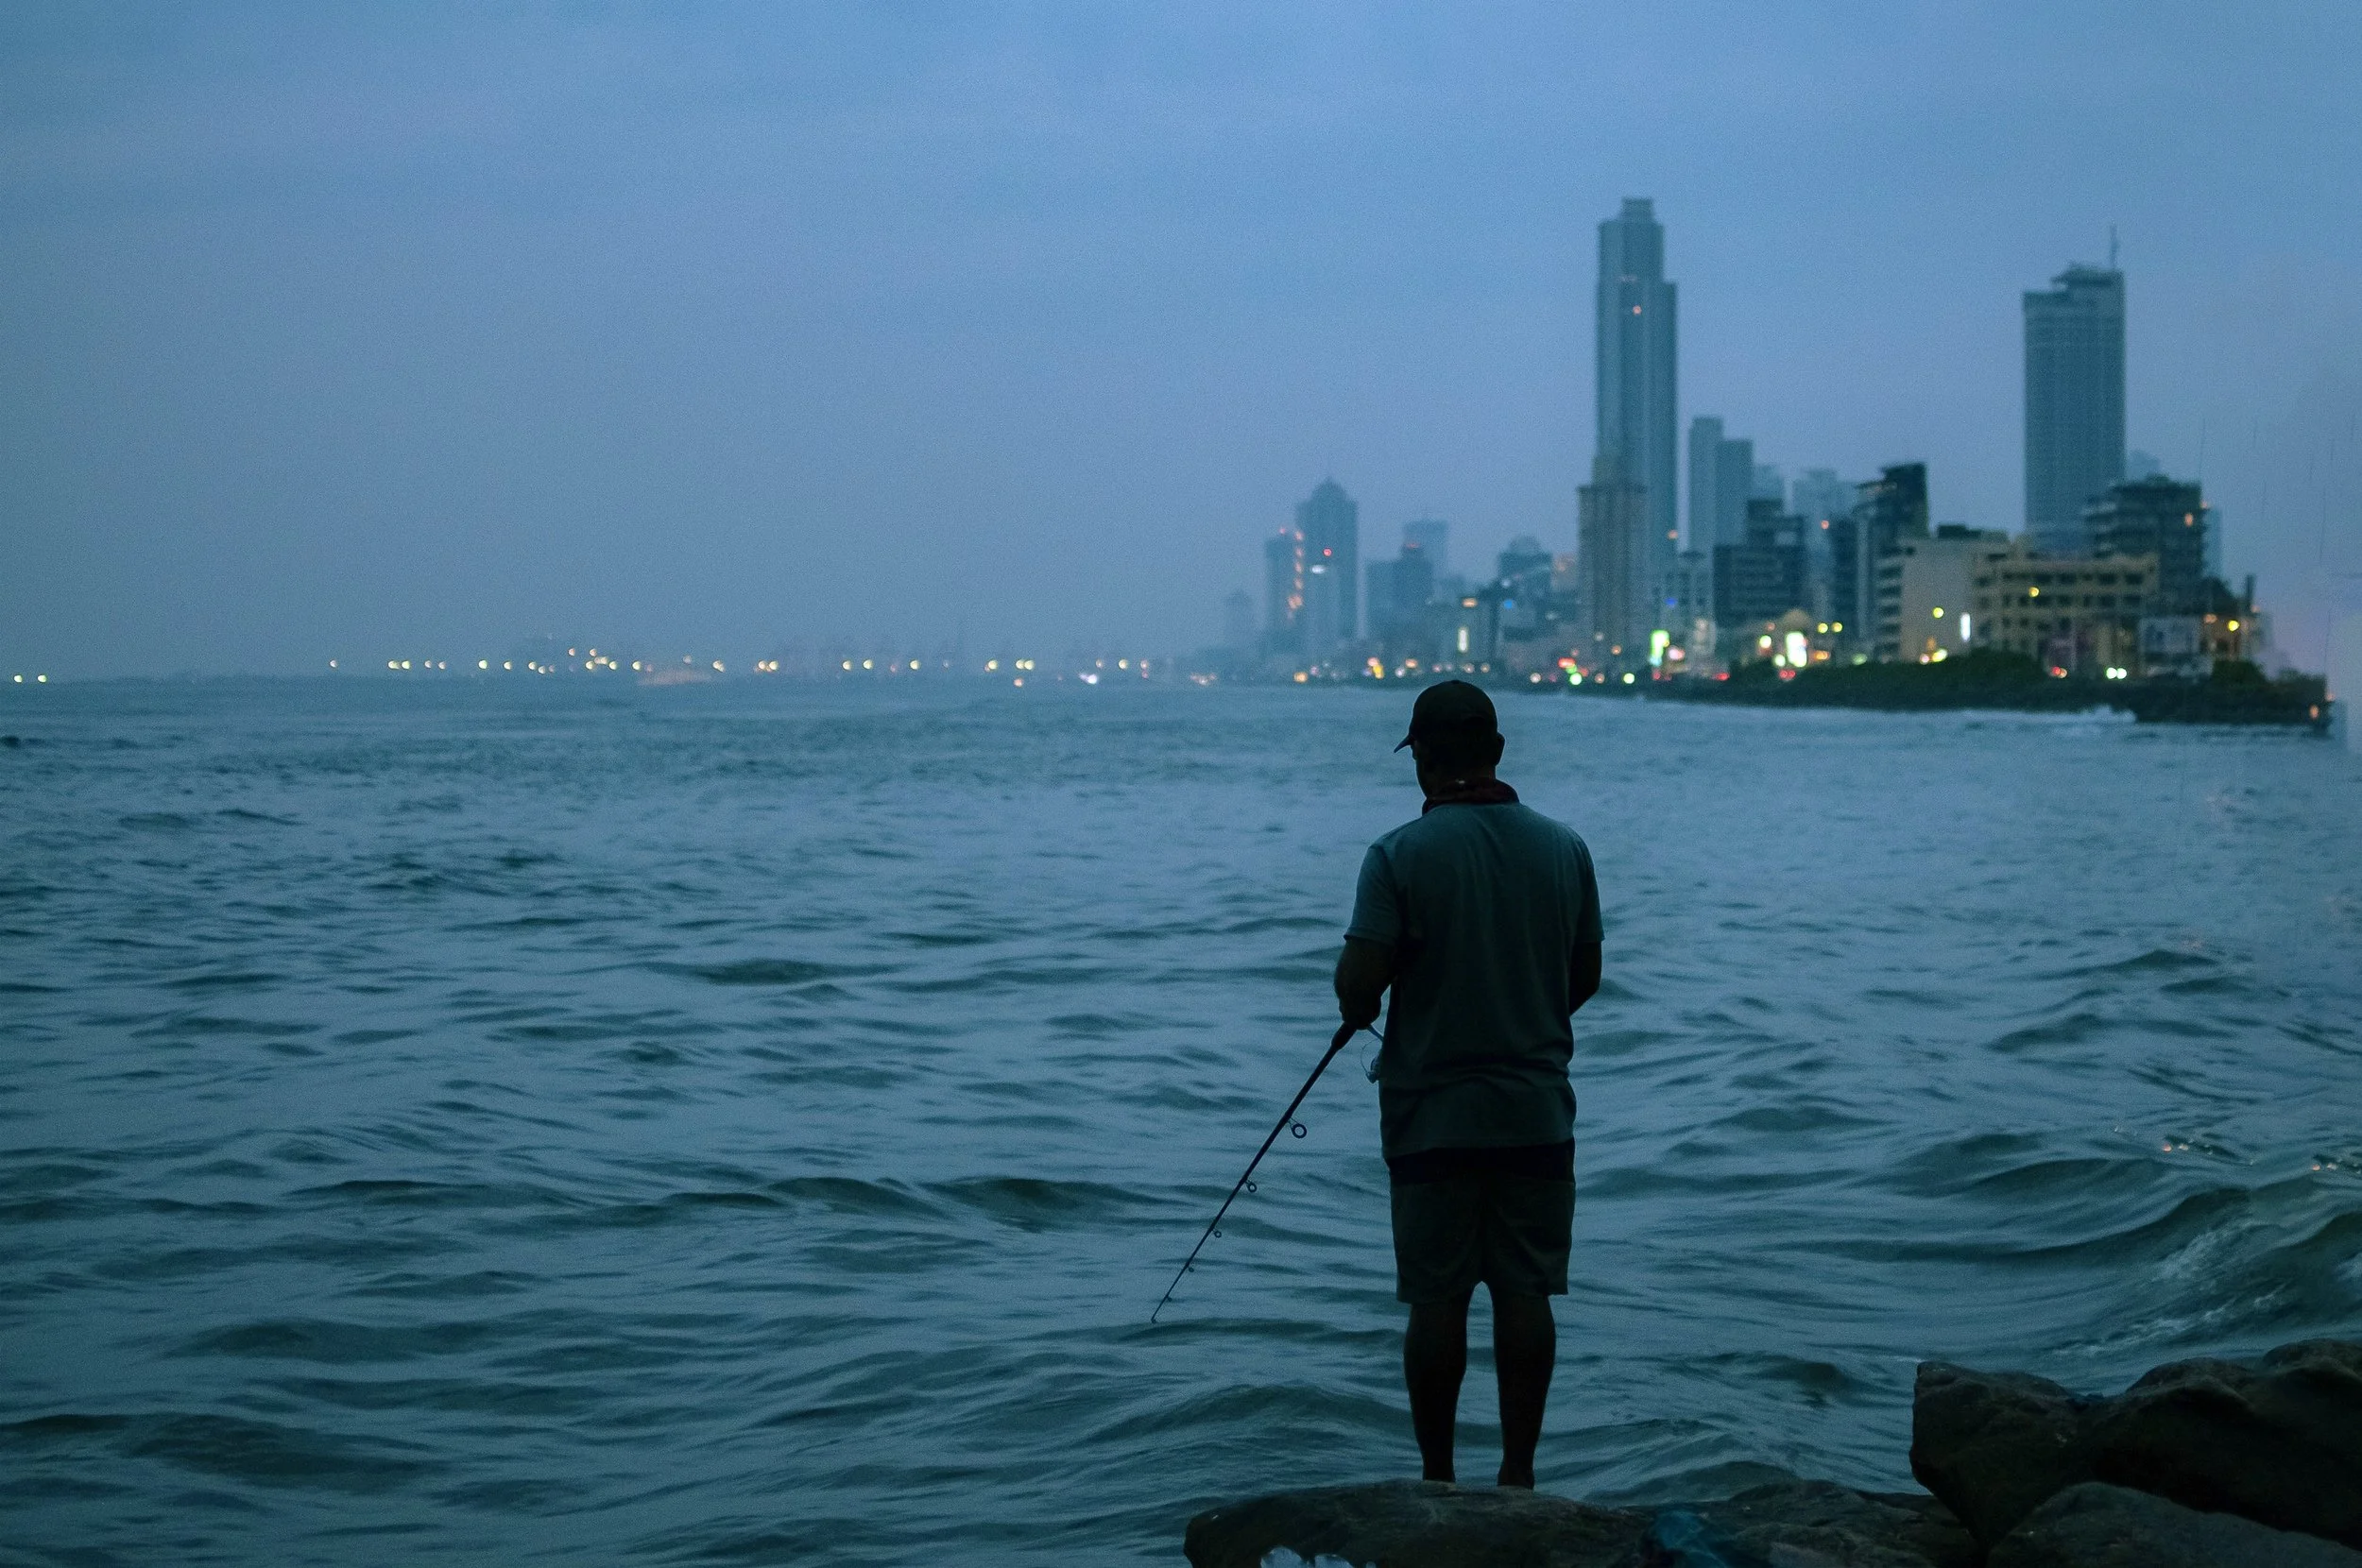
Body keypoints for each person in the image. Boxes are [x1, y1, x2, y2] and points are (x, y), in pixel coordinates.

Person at [1334, 679, 1602, 1489]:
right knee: (1526, 1291)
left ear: (1421, 761)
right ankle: (1519, 1477)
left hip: (1431, 1117)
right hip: (1535, 1111)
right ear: (1496, 752)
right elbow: (1581, 978)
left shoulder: (1396, 855)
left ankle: (1438, 1482)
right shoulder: (1564, 848)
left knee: (1437, 1299)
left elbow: (1356, 989)